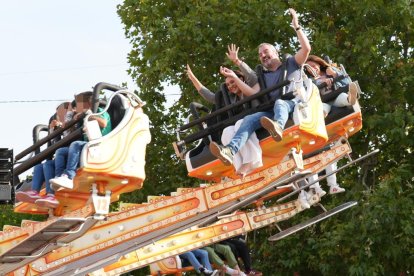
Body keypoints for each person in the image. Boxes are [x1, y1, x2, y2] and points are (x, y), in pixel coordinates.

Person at [186, 64, 262, 176]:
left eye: (232, 82)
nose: (230, 86)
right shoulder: (229, 98)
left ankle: (252, 161)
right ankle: (239, 168)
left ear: (240, 79)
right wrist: (193, 78)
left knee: (240, 123)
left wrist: (236, 61)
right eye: (228, 85)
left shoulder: (250, 86)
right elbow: (209, 95)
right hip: (240, 126)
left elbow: (252, 76)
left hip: (256, 119)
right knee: (227, 132)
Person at [50, 91, 112, 190]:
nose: (77, 106)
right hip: (88, 146)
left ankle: (70, 176)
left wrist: (88, 114)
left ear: (87, 103)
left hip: (99, 144)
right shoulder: (82, 115)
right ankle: (60, 177)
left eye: (79, 103)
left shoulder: (100, 111)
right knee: (60, 151)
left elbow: (103, 123)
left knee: (75, 144)